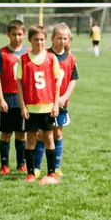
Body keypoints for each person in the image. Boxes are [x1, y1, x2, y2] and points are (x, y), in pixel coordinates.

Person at [16, 25, 63, 184]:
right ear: (30, 40)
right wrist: (22, 106)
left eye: (42, 39)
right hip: (31, 107)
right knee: (31, 139)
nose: (39, 43)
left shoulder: (51, 58)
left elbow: (57, 83)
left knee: (49, 137)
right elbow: (20, 85)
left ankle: (51, 173)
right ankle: (30, 173)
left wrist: (56, 104)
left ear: (46, 39)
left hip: (48, 106)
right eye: (36, 40)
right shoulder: (23, 59)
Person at [0, 20, 29, 174]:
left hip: (24, 100)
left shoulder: (28, 52)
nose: (17, 37)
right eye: (14, 34)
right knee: (6, 133)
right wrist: (0, 98)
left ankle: (21, 163)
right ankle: (4, 165)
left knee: (21, 133)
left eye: (20, 34)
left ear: (25, 35)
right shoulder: (2, 53)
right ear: (8, 34)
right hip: (8, 98)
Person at [49, 23, 78, 176]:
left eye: (64, 38)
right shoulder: (45, 56)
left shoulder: (71, 58)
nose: (61, 41)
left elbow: (73, 79)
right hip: (44, 102)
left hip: (61, 103)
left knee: (58, 133)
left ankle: (56, 166)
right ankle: (36, 166)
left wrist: (64, 97)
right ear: (52, 38)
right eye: (59, 38)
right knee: (42, 134)